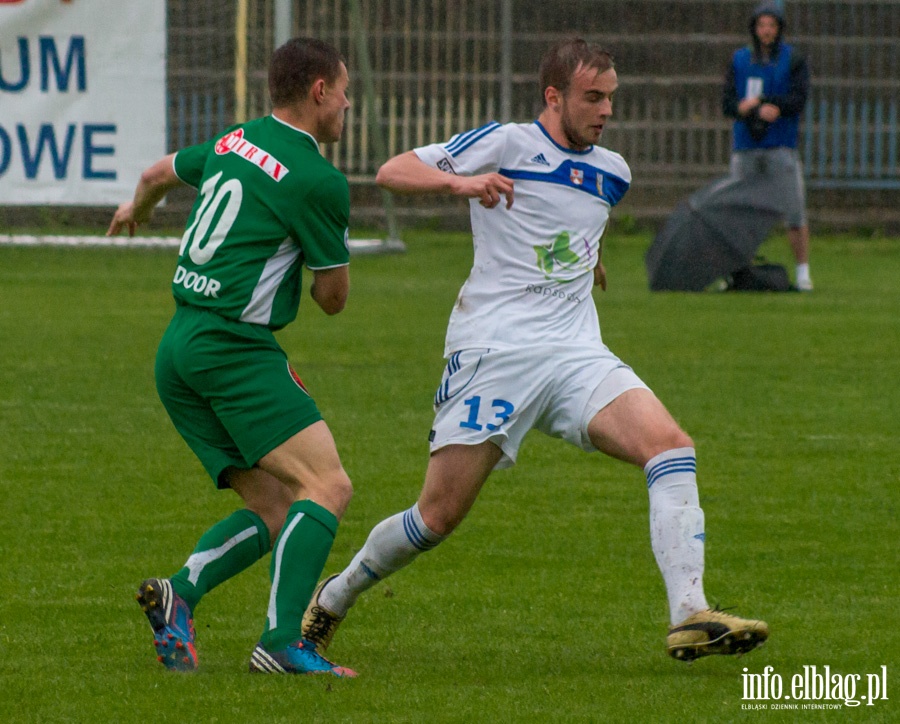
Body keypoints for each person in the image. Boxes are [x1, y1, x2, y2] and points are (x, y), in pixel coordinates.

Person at [301, 38, 769, 666]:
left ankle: (689, 612)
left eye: (610, 97)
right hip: (495, 352)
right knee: (435, 517)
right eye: (592, 97)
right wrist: (462, 183)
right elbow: (392, 171)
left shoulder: (615, 170)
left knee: (671, 447)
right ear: (554, 96)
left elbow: (576, 221)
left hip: (577, 353)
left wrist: (590, 258)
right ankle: (336, 594)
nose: (605, 110)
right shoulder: (508, 142)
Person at [107, 37, 358, 677]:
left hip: (178, 348)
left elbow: (154, 175)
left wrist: (135, 211)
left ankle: (178, 594)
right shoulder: (317, 180)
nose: (348, 107)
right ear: (319, 92)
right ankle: (280, 643)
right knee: (327, 486)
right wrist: (322, 247)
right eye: (346, 92)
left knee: (275, 506)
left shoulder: (232, 140)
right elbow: (333, 301)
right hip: (232, 348)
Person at [723, 1, 813, 290]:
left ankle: (802, 271)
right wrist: (745, 108)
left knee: (794, 210)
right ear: (754, 28)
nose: (766, 31)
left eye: (772, 26)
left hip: (780, 145)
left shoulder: (793, 59)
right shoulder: (740, 60)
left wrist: (772, 106)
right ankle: (736, 271)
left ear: (779, 29)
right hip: (746, 146)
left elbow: (799, 99)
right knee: (739, 211)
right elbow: (727, 103)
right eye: (762, 25)